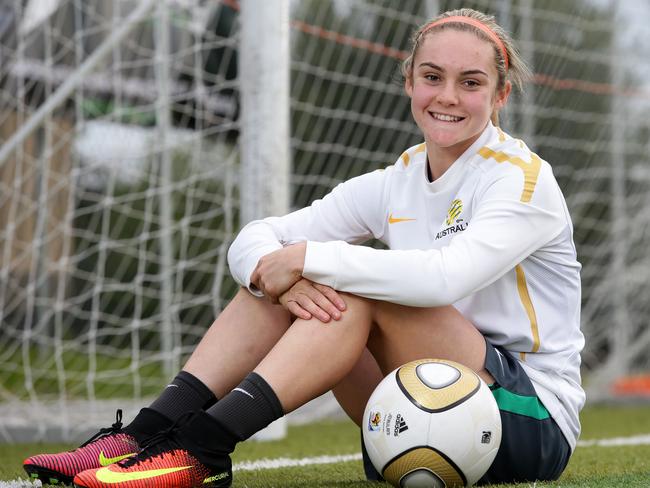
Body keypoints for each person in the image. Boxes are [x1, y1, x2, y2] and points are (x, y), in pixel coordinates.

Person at [23, 7, 584, 487]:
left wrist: (309, 261)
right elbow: (255, 239)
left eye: (471, 82)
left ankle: (201, 450)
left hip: (525, 418)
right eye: (432, 76)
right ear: (408, 82)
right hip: (417, 413)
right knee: (290, 280)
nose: (447, 97)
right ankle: (143, 437)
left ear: (501, 94)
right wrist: (282, 273)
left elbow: (443, 279)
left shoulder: (522, 179)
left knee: (346, 283)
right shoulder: (397, 179)